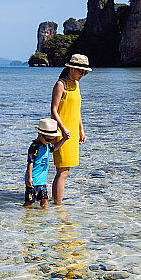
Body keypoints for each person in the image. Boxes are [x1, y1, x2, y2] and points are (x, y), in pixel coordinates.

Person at [50, 54, 91, 204]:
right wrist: (63, 129)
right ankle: (58, 204)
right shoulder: (61, 84)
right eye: (81, 72)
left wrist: (81, 130)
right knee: (62, 171)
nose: (83, 75)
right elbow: (53, 111)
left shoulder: (76, 84)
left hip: (72, 131)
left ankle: (57, 202)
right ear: (71, 68)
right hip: (62, 132)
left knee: (66, 171)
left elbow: (77, 109)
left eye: (85, 73)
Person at [24, 118, 66, 208]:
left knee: (44, 200)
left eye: (51, 140)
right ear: (40, 135)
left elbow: (55, 148)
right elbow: (30, 163)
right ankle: (25, 217)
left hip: (42, 181)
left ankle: (43, 216)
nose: (49, 142)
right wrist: (29, 177)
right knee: (29, 201)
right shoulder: (34, 147)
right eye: (47, 139)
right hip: (33, 180)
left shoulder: (47, 145)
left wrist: (64, 139)